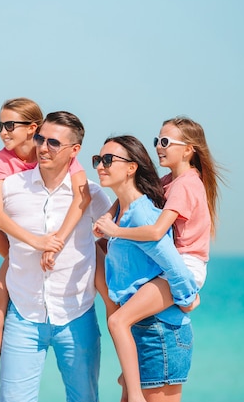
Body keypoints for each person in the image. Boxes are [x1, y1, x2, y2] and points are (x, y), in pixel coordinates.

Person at [93, 117, 224, 402]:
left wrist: (187, 294)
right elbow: (139, 189)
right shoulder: (170, 181)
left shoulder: (185, 185)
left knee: (118, 322)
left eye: (165, 142)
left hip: (187, 265)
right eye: (156, 141)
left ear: (188, 150)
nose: (158, 147)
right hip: (169, 279)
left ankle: (134, 384)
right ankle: (130, 376)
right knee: (119, 320)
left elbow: (154, 232)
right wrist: (110, 216)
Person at [0, 99, 94, 402]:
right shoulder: (3, 165)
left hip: (73, 306)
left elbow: (84, 198)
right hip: (24, 284)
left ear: (32, 127)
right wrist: (32, 246)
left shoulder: (68, 163)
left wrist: (59, 242)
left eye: (9, 125)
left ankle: (125, 343)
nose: (3, 132)